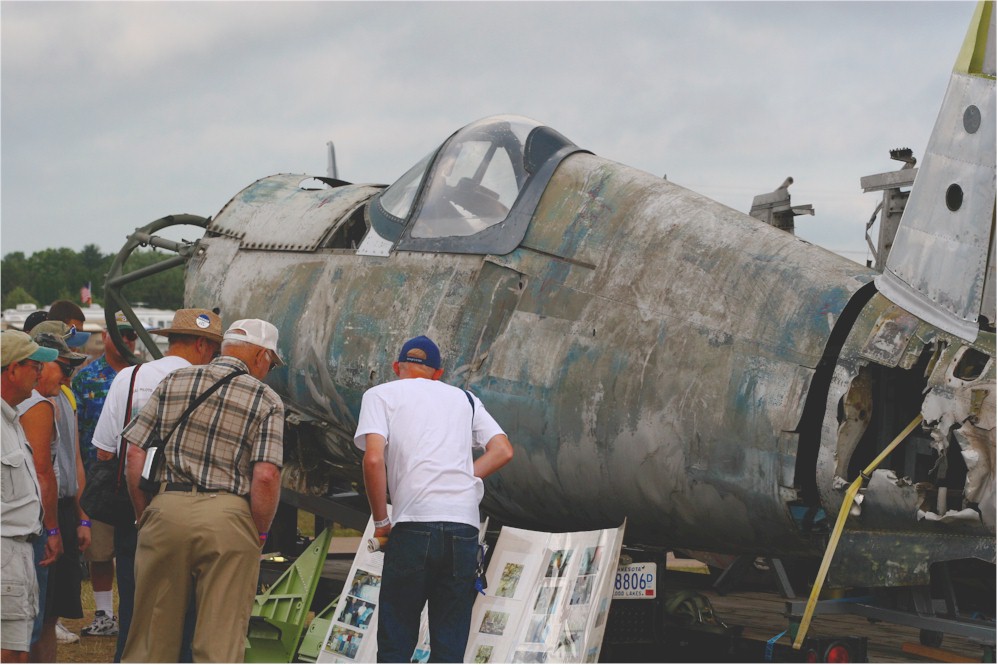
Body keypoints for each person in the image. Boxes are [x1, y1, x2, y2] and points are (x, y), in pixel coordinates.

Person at [120, 318, 285, 663]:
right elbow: (266, 475)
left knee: (150, 636)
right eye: (271, 362)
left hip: (166, 508)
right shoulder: (266, 399)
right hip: (228, 517)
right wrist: (260, 531)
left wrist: (144, 513)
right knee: (219, 639)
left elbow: (134, 452)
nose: (268, 370)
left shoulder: (176, 380)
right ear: (261, 356)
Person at [355, 335, 514, 663]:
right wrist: (463, 478)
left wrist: (382, 523)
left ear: (396, 367)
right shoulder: (465, 399)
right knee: (449, 640)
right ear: (438, 373)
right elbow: (503, 450)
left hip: (414, 524)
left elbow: (373, 460)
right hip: (463, 528)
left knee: (397, 638)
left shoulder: (381, 394)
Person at [91, 308, 222, 662]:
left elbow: (105, 450)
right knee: (189, 611)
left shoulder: (129, 377)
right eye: (213, 347)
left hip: (136, 504)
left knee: (135, 605)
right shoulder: (213, 383)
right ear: (201, 344)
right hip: (194, 507)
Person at [18, 326, 89, 662]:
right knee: (28, 617)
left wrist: (81, 517)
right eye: (63, 366)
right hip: (36, 516)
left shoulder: (62, 397)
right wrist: (52, 530)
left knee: (47, 615)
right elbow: (43, 471)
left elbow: (73, 461)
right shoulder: (31, 404)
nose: (66, 375)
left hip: (56, 509)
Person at [71, 313, 138, 639]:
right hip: (99, 474)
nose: (128, 341)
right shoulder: (87, 377)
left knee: (134, 551)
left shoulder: (143, 374)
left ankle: (131, 614)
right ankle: (103, 614)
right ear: (107, 337)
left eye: (132, 336)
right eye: (122, 334)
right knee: (100, 551)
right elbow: (77, 429)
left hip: (136, 476)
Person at [1, 331, 57, 663]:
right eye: (35, 365)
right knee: (8, 651)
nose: (40, 372)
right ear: (11, 370)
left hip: (20, 549)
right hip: (5, 550)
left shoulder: (12, 418)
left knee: (18, 649)